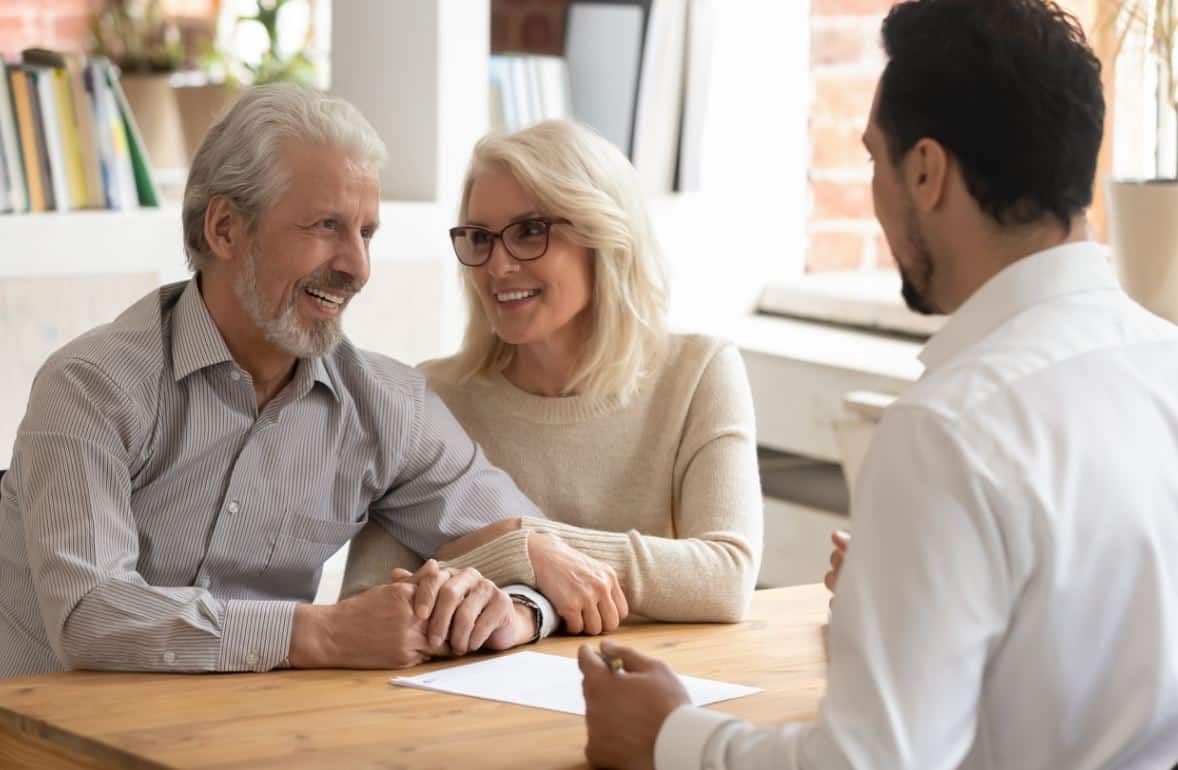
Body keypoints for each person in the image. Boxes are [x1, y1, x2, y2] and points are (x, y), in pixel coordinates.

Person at [577, 1, 1178, 768]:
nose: (875, 191)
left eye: (872, 158)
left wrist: (671, 736)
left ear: (925, 171)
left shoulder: (950, 430)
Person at [0, 84, 581, 677]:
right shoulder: (90, 388)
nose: (357, 267)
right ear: (226, 229)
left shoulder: (387, 407)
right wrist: (323, 634)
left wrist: (514, 610)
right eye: (326, 225)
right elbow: (88, 617)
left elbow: (551, 559)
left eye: (366, 233)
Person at [343, 120, 763, 630]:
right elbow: (370, 599)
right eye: (480, 238)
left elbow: (725, 578)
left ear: (605, 239)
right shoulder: (430, 396)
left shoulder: (699, 374)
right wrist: (529, 557)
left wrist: (521, 537)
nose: (496, 267)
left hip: (645, 688)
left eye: (529, 232)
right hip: (465, 700)